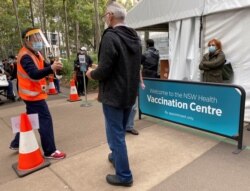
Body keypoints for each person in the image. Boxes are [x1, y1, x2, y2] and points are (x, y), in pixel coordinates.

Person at [86, 2, 141, 187]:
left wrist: (91, 74)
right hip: (129, 93)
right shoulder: (135, 36)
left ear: (110, 16)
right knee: (117, 132)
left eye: (104, 15)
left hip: (114, 95)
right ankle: (115, 155)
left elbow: (105, 70)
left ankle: (124, 176)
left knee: (116, 134)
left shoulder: (110, 36)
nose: (104, 18)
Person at [9, 28, 66, 160]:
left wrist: (53, 66)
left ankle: (16, 143)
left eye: (39, 37)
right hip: (32, 96)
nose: (39, 40)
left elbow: (45, 66)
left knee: (30, 119)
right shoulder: (25, 56)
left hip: (34, 94)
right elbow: (34, 74)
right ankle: (50, 151)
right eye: (35, 38)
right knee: (45, 121)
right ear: (26, 40)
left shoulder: (36, 53)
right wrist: (51, 68)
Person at [126, 71, 145, 135]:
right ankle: (122, 127)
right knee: (123, 108)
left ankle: (129, 127)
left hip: (134, 87)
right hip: (124, 86)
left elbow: (139, 71)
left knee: (133, 108)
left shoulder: (136, 61)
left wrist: (141, 82)